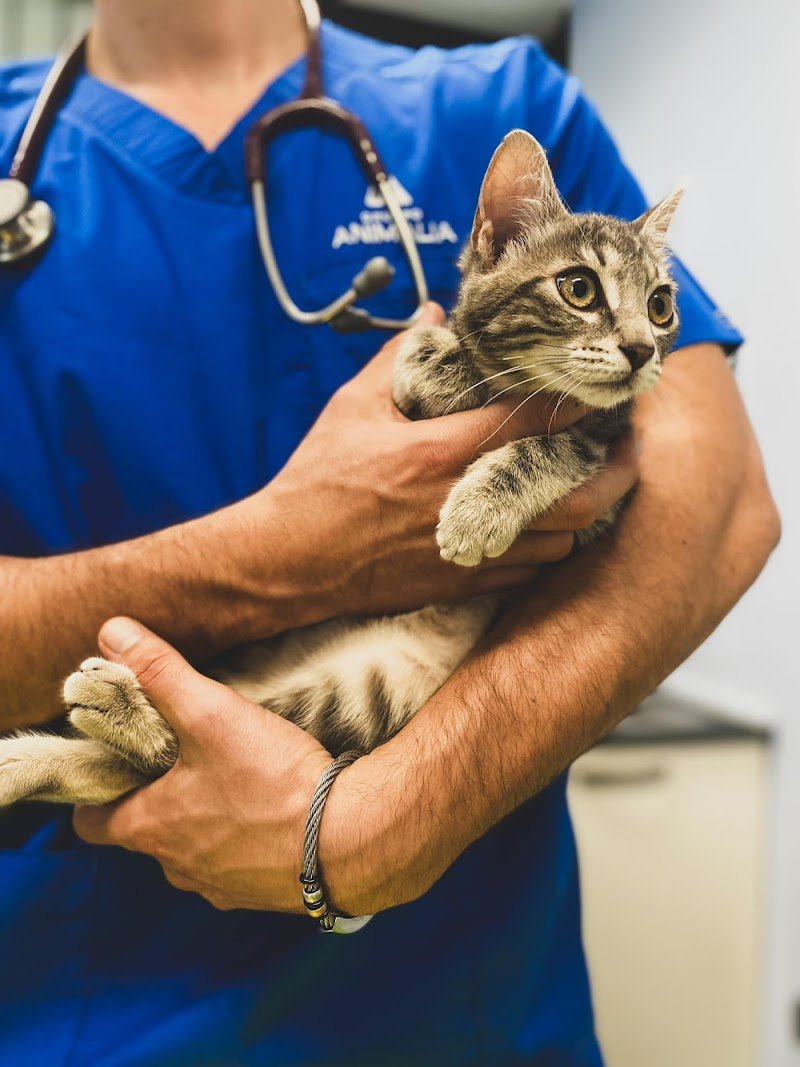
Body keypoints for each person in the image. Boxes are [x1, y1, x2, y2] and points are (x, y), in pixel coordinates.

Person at [0, 1, 778, 1063]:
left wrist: (373, 826)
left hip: (454, 1012)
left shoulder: (492, 102)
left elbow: (717, 498)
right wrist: (287, 550)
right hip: (80, 1008)